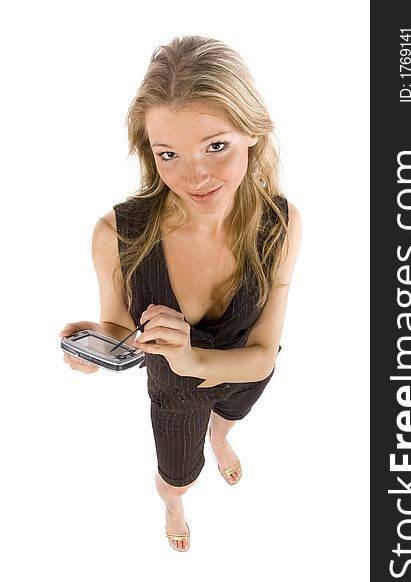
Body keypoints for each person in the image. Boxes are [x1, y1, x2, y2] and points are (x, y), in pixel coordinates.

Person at [59, 35, 301, 552]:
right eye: (169, 154)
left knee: (230, 419)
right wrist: (99, 350)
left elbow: (260, 357)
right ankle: (174, 504)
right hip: (173, 397)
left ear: (253, 131)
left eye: (216, 146)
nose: (194, 176)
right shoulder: (116, 235)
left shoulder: (281, 223)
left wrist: (193, 357)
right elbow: (120, 326)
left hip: (245, 377)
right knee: (178, 476)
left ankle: (220, 438)